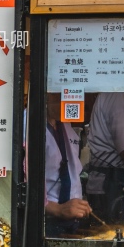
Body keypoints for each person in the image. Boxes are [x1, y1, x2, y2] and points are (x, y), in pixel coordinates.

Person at [86, 91, 124, 223]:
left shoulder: (121, 96)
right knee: (116, 236)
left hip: (112, 183)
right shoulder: (117, 96)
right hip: (113, 186)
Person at [44, 93, 90, 236]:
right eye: (59, 96)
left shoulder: (64, 122)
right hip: (47, 219)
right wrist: (56, 209)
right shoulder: (27, 126)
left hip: (70, 218)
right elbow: (23, 182)